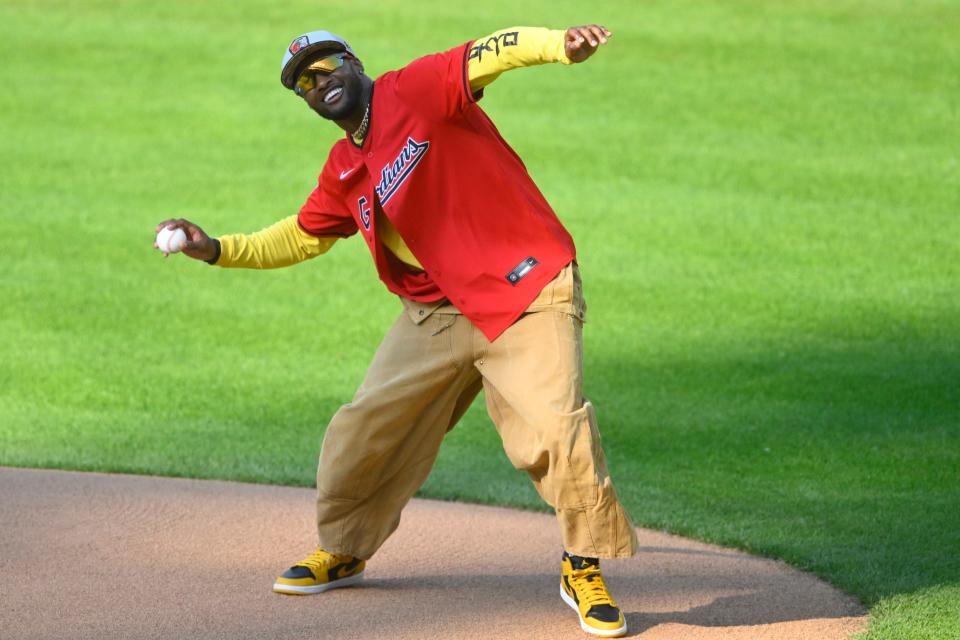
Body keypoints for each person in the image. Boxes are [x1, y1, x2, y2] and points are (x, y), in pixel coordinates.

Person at [156, 24, 639, 638]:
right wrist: (218, 248)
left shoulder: (414, 90)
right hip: (436, 311)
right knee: (364, 429)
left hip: (528, 289)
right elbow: (303, 234)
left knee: (552, 426)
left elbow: (491, 52)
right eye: (303, 81)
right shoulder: (344, 168)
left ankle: (583, 565)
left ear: (353, 62)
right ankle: (347, 546)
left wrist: (559, 46)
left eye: (326, 65)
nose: (319, 81)